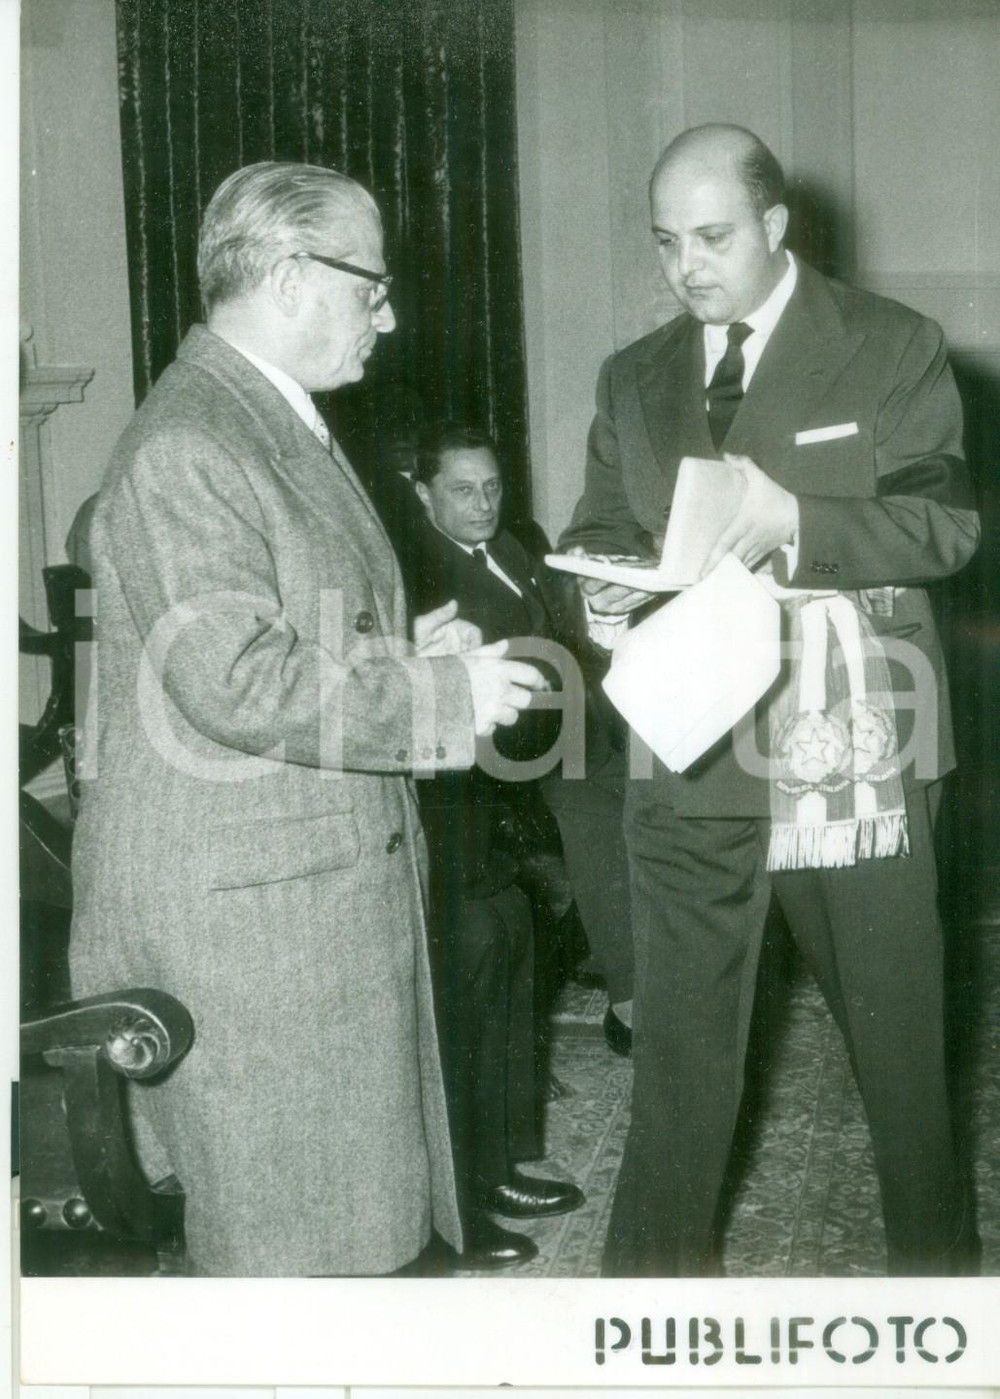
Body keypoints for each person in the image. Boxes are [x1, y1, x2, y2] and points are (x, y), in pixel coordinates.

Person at [69, 161, 544, 1278]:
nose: (389, 313)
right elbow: (230, 677)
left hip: (295, 900)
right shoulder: (194, 438)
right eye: (369, 286)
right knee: (294, 1258)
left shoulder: (266, 420)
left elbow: (271, 633)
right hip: (249, 933)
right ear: (289, 277)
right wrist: (440, 698)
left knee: (344, 1236)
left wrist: (397, 655)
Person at [559, 124, 981, 1276]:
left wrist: (795, 519)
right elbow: (601, 524)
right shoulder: (633, 375)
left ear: (776, 226)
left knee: (898, 1066)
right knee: (681, 1057)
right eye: (664, 243)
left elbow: (944, 523)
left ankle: (938, 1307)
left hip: (851, 748)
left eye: (711, 237)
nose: (686, 265)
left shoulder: (890, 345)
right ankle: (643, 1310)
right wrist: (598, 588)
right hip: (690, 749)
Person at [401, 422, 635, 1044]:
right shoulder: (417, 571)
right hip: (504, 750)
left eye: (493, 488)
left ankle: (645, 962)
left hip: (572, 724)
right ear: (423, 494)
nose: (483, 506)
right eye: (462, 491)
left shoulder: (510, 545)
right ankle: (631, 998)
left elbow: (560, 628)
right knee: (596, 820)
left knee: (663, 805)